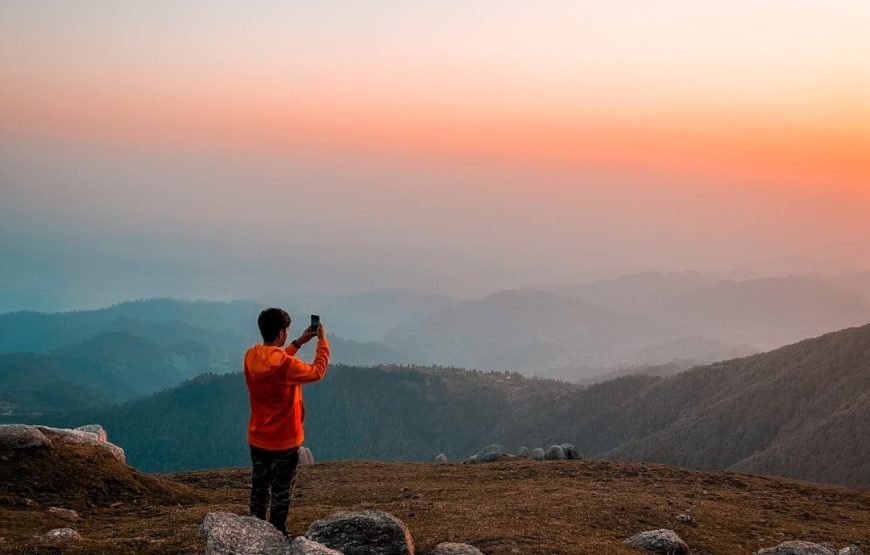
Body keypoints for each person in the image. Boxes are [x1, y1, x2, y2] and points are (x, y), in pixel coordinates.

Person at [244, 307, 330, 534]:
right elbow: (317, 371)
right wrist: (322, 341)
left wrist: (299, 342)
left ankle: (254, 533)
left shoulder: (251, 356)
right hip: (285, 442)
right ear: (282, 333)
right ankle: (277, 535)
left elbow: (275, 363)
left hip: (258, 438)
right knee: (281, 494)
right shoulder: (285, 366)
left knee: (259, 490)